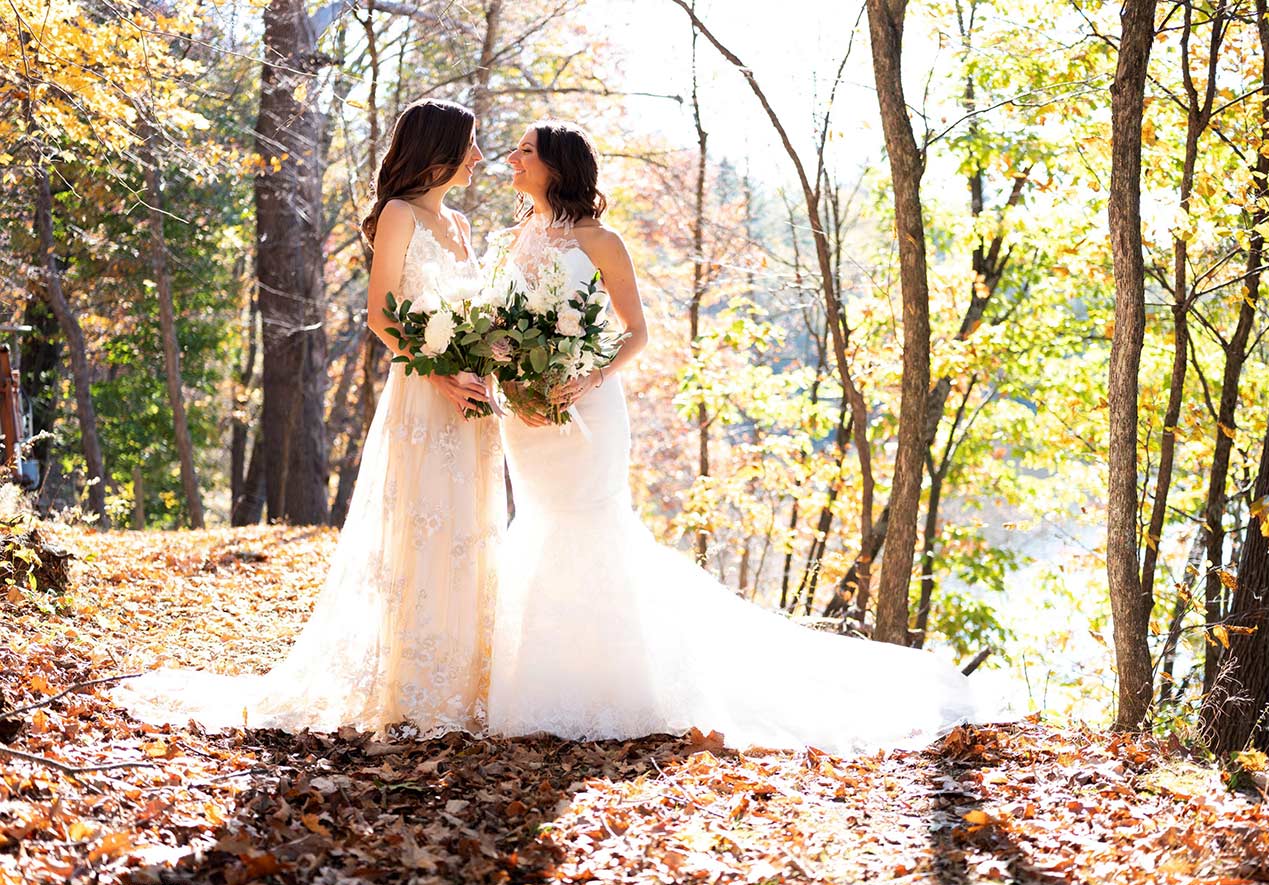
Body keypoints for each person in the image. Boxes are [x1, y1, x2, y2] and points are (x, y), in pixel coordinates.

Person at [485, 120, 1013, 755]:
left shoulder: (602, 241)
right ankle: (537, 680)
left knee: (589, 527)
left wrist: (584, 378)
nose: (512, 158)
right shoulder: (514, 239)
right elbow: (499, 325)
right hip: (527, 415)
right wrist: (516, 383)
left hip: (589, 411)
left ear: (557, 168)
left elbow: (637, 332)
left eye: (526, 151)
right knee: (537, 524)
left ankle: (611, 686)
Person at [110, 99, 504, 738]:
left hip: (473, 402)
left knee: (469, 531)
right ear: (439, 149)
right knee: (424, 529)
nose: (480, 158)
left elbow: (476, 312)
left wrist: (484, 363)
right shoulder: (399, 216)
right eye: (471, 145)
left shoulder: (459, 225)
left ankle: (469, 682)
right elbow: (381, 316)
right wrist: (440, 373)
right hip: (426, 395)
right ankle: (412, 685)